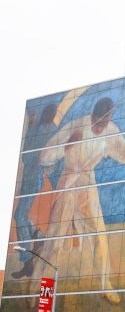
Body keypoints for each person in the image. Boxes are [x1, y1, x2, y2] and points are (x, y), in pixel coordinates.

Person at [32, 97, 125, 304]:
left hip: (87, 184)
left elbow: (124, 152)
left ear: (109, 119)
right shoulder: (75, 126)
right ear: (92, 116)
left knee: (99, 234)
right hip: (68, 183)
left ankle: (105, 286)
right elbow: (45, 156)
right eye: (97, 123)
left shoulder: (110, 131)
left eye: (103, 124)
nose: (99, 128)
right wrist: (67, 145)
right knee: (55, 241)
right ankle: (41, 295)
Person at [12, 104, 58, 279]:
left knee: (19, 217)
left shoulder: (52, 131)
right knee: (21, 216)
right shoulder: (38, 127)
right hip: (28, 179)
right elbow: (25, 155)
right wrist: (31, 127)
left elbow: (49, 161)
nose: (45, 115)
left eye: (48, 112)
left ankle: (27, 261)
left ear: (52, 114)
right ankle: (38, 236)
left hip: (34, 179)